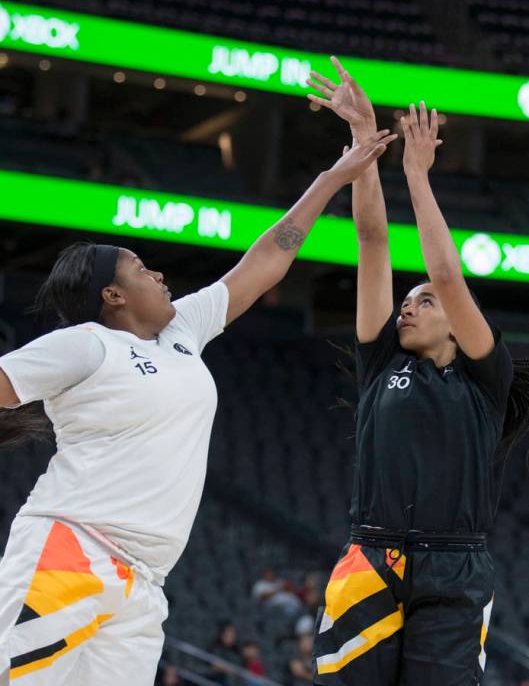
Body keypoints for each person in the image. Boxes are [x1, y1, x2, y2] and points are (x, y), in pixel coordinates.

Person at [0, 127, 397, 686]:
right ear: (112, 297)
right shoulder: (86, 344)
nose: (158, 274)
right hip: (71, 550)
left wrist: (334, 177)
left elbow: (267, 261)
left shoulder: (182, 329)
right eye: (141, 269)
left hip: (145, 581)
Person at [307, 58, 529, 685]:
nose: (408, 303)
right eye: (406, 298)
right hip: (370, 556)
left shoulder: (487, 377)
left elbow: (449, 275)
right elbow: (372, 239)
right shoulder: (381, 360)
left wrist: (416, 174)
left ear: (461, 324)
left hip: (456, 567)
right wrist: (361, 144)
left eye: (423, 300)